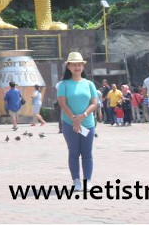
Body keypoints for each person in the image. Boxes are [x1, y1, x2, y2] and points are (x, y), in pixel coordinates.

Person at [56, 52, 100, 192]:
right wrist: (74, 120)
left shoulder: (89, 84)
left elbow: (94, 103)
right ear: (68, 66)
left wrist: (83, 115)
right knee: (73, 152)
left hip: (87, 123)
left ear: (83, 66)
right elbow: (62, 104)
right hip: (69, 124)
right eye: (74, 64)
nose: (77, 67)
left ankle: (87, 181)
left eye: (79, 64)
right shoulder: (63, 84)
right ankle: (76, 180)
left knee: (87, 153)